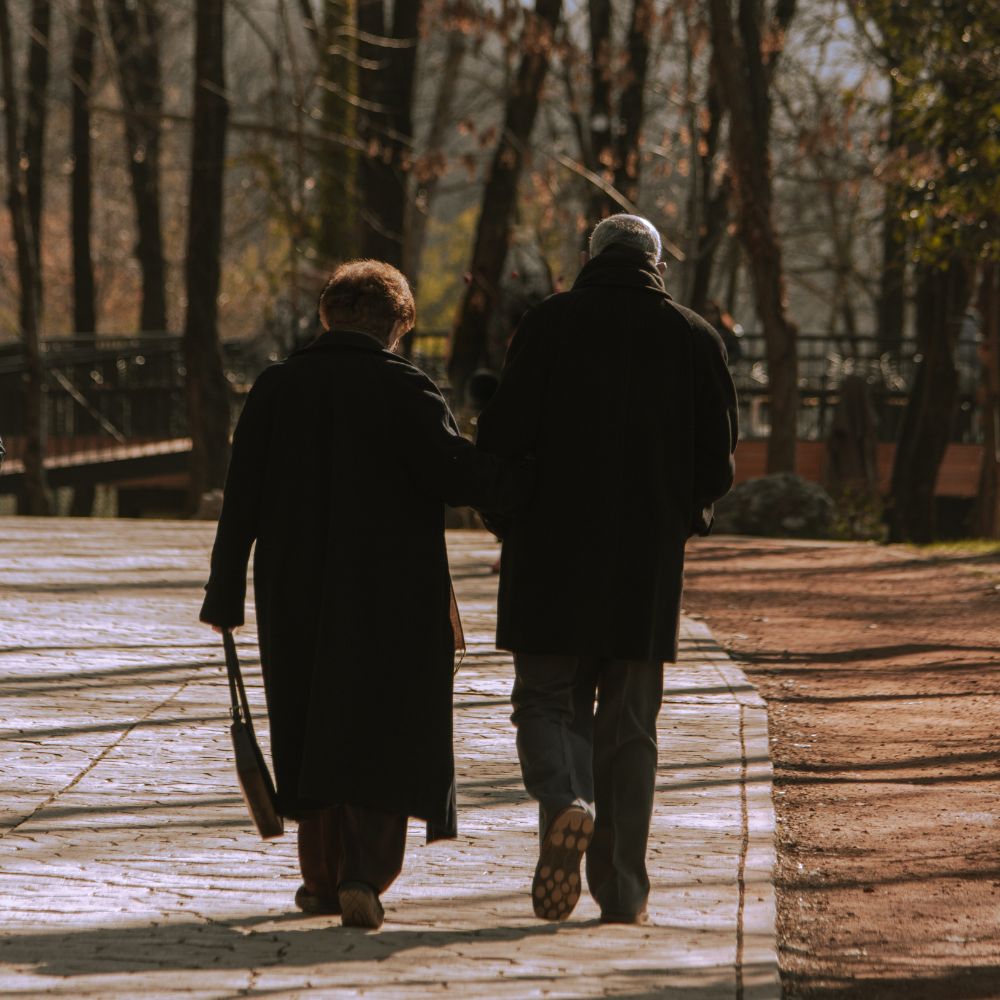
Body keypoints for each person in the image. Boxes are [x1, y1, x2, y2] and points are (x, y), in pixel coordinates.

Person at [200, 260, 530, 930]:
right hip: (392, 593)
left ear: (328, 317)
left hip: (295, 591)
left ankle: (320, 879)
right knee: (387, 724)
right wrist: (528, 478)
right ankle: (364, 874)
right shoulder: (404, 389)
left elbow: (242, 498)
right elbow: (457, 476)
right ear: (396, 325)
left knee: (310, 721)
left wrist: (225, 591)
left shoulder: (276, 388)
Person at [476, 214, 738, 925]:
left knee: (545, 701)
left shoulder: (547, 323)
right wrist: (679, 521)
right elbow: (716, 465)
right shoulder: (695, 337)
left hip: (548, 558)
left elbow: (501, 437)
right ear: (658, 265)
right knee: (629, 729)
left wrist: (507, 517)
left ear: (587, 258)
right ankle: (622, 893)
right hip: (643, 568)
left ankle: (566, 798)